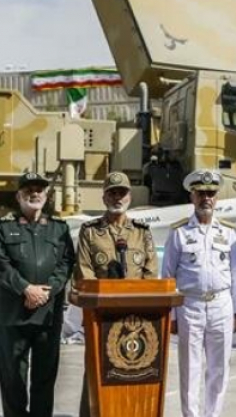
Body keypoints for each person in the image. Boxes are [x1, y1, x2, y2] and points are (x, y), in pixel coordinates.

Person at [0, 171, 76, 417]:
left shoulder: (59, 229)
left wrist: (49, 290)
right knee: (13, 378)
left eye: (39, 189)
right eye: (28, 190)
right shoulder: (2, 228)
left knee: (44, 377)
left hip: (47, 315)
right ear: (18, 196)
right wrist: (27, 289)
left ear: (46, 195)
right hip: (14, 316)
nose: (34, 193)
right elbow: (1, 266)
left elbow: (67, 262)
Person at [74, 171, 158, 417]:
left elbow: (150, 274)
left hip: (136, 318)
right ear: (104, 198)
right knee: (97, 368)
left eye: (121, 193)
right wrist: (101, 304)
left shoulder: (142, 232)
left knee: (133, 369)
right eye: (112, 193)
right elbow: (84, 272)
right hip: (102, 317)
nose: (117, 197)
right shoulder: (90, 231)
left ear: (129, 197)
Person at [162, 169, 236, 417]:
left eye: (210, 193)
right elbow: (168, 276)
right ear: (192, 197)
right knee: (190, 368)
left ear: (216, 198)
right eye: (201, 193)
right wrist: (173, 315)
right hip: (190, 306)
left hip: (221, 304)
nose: (206, 198)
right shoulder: (179, 232)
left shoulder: (229, 231)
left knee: (219, 368)